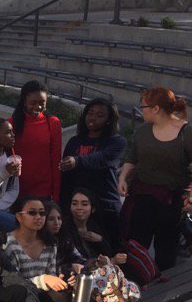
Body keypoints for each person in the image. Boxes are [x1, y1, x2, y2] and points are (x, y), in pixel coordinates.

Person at [118, 87, 192, 271]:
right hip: (142, 195)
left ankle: (165, 281)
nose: (141, 109)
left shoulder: (189, 133)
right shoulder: (143, 131)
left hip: (171, 200)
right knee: (136, 242)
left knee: (166, 247)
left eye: (143, 106)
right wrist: (123, 177)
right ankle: (136, 278)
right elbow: (132, 157)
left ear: (156, 109)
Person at [59, 98, 126, 242]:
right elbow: (66, 178)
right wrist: (64, 207)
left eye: (100, 115)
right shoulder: (74, 141)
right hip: (79, 209)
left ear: (108, 120)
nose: (93, 118)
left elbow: (101, 159)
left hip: (106, 207)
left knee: (109, 247)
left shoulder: (117, 142)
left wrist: (77, 160)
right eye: (90, 113)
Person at [4, 196, 72, 302]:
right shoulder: (8, 244)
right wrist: (43, 279)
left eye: (42, 213)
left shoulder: (50, 243)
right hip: (19, 297)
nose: (38, 217)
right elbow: (13, 283)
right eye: (32, 213)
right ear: (19, 216)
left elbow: (51, 275)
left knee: (63, 294)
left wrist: (59, 280)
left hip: (41, 295)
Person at [10, 80, 62, 201]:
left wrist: (56, 195)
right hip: (16, 190)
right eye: (32, 103)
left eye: (42, 102)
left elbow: (56, 160)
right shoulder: (11, 124)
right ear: (24, 101)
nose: (38, 107)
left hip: (42, 190)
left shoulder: (53, 123)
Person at [67, 188, 126, 264]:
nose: (79, 208)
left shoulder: (96, 225)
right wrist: (112, 261)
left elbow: (108, 253)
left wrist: (100, 240)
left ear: (93, 209)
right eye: (74, 204)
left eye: (84, 204)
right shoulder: (65, 228)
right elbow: (77, 261)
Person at [44, 200, 86, 276]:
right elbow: (43, 272)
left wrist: (97, 262)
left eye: (59, 218)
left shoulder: (64, 241)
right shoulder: (38, 243)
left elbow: (82, 261)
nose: (56, 223)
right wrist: (69, 268)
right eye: (51, 219)